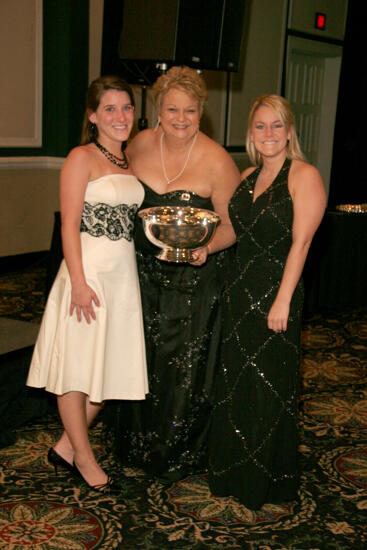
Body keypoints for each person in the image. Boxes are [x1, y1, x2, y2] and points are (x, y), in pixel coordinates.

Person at [103, 66, 240, 483]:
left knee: (182, 368)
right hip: (140, 275)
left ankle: (175, 451)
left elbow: (235, 226)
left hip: (194, 282)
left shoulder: (217, 159)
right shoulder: (140, 144)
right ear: (157, 110)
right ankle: (133, 442)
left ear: (202, 112)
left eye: (191, 111)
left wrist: (206, 248)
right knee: (139, 358)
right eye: (172, 109)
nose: (181, 118)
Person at [26, 75, 148, 493]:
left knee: (106, 367)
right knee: (77, 370)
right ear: (93, 116)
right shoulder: (81, 157)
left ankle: (64, 446)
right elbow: (70, 226)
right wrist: (78, 281)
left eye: (126, 107)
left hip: (122, 277)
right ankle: (84, 455)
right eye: (109, 109)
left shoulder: (128, 160)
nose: (120, 116)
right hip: (89, 274)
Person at [208, 94, 326, 509]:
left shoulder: (304, 175)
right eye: (261, 126)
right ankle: (232, 472)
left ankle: (265, 481)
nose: (269, 133)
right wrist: (203, 249)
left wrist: (283, 300)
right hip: (239, 291)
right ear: (251, 133)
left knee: (267, 388)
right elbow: (235, 231)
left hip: (278, 292)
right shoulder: (247, 174)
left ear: (290, 131)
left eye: (277, 125)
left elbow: (302, 242)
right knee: (237, 385)